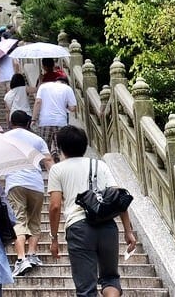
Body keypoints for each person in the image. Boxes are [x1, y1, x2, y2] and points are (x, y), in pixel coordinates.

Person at [48, 126, 137, 296]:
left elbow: (55, 206)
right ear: (84, 145)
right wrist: (128, 230)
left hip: (79, 228)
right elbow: (118, 197)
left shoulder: (57, 169)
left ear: (61, 148)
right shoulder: (100, 165)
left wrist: (54, 238)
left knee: (86, 288)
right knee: (110, 278)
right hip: (107, 226)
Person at [5, 110, 54, 278]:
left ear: (11, 122)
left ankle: (21, 259)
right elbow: (48, 161)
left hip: (15, 182)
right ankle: (32, 254)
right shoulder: (37, 139)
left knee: (18, 219)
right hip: (36, 184)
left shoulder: (5, 138)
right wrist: (57, 185)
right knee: (34, 220)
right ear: (27, 123)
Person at [34, 75, 77, 161]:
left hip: (45, 122)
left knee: (44, 148)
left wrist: (33, 119)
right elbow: (73, 108)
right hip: (61, 122)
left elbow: (38, 102)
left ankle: (46, 167)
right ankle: (62, 165)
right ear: (66, 83)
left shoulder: (43, 86)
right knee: (61, 147)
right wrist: (64, 105)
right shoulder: (67, 88)